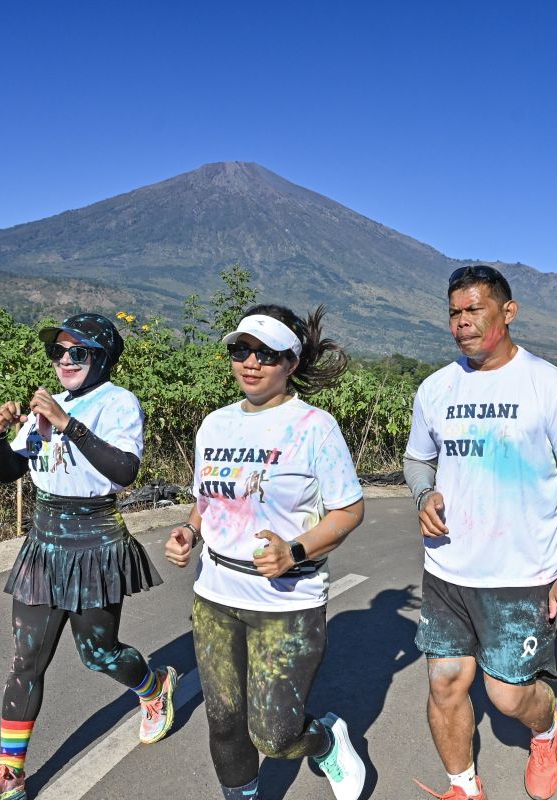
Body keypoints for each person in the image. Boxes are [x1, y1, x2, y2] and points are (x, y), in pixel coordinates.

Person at [0, 313, 176, 800]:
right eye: (59, 352)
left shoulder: (117, 403)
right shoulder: (43, 406)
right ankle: (9, 775)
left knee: (98, 653)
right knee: (26, 660)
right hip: (45, 539)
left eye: (79, 352)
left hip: (95, 539)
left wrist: (66, 423)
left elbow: (125, 470)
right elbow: (11, 471)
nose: (66, 360)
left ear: (102, 357)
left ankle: (153, 686)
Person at [403, 265, 557, 800]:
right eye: (454, 312)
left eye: (474, 310)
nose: (461, 323)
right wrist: (424, 495)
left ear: (507, 312)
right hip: (446, 570)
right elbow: (417, 461)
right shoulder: (436, 388)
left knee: (510, 697)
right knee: (445, 681)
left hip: (522, 576)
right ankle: (462, 786)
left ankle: (547, 729)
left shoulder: (547, 385)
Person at [164, 304, 367, 800]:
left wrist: (294, 550)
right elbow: (207, 500)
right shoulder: (214, 425)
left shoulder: (314, 427)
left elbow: (349, 510)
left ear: (292, 363)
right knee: (225, 721)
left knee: (274, 735)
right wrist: (189, 532)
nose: (250, 363)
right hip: (215, 595)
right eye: (240, 350)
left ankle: (324, 740)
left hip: (286, 603)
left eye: (266, 353)